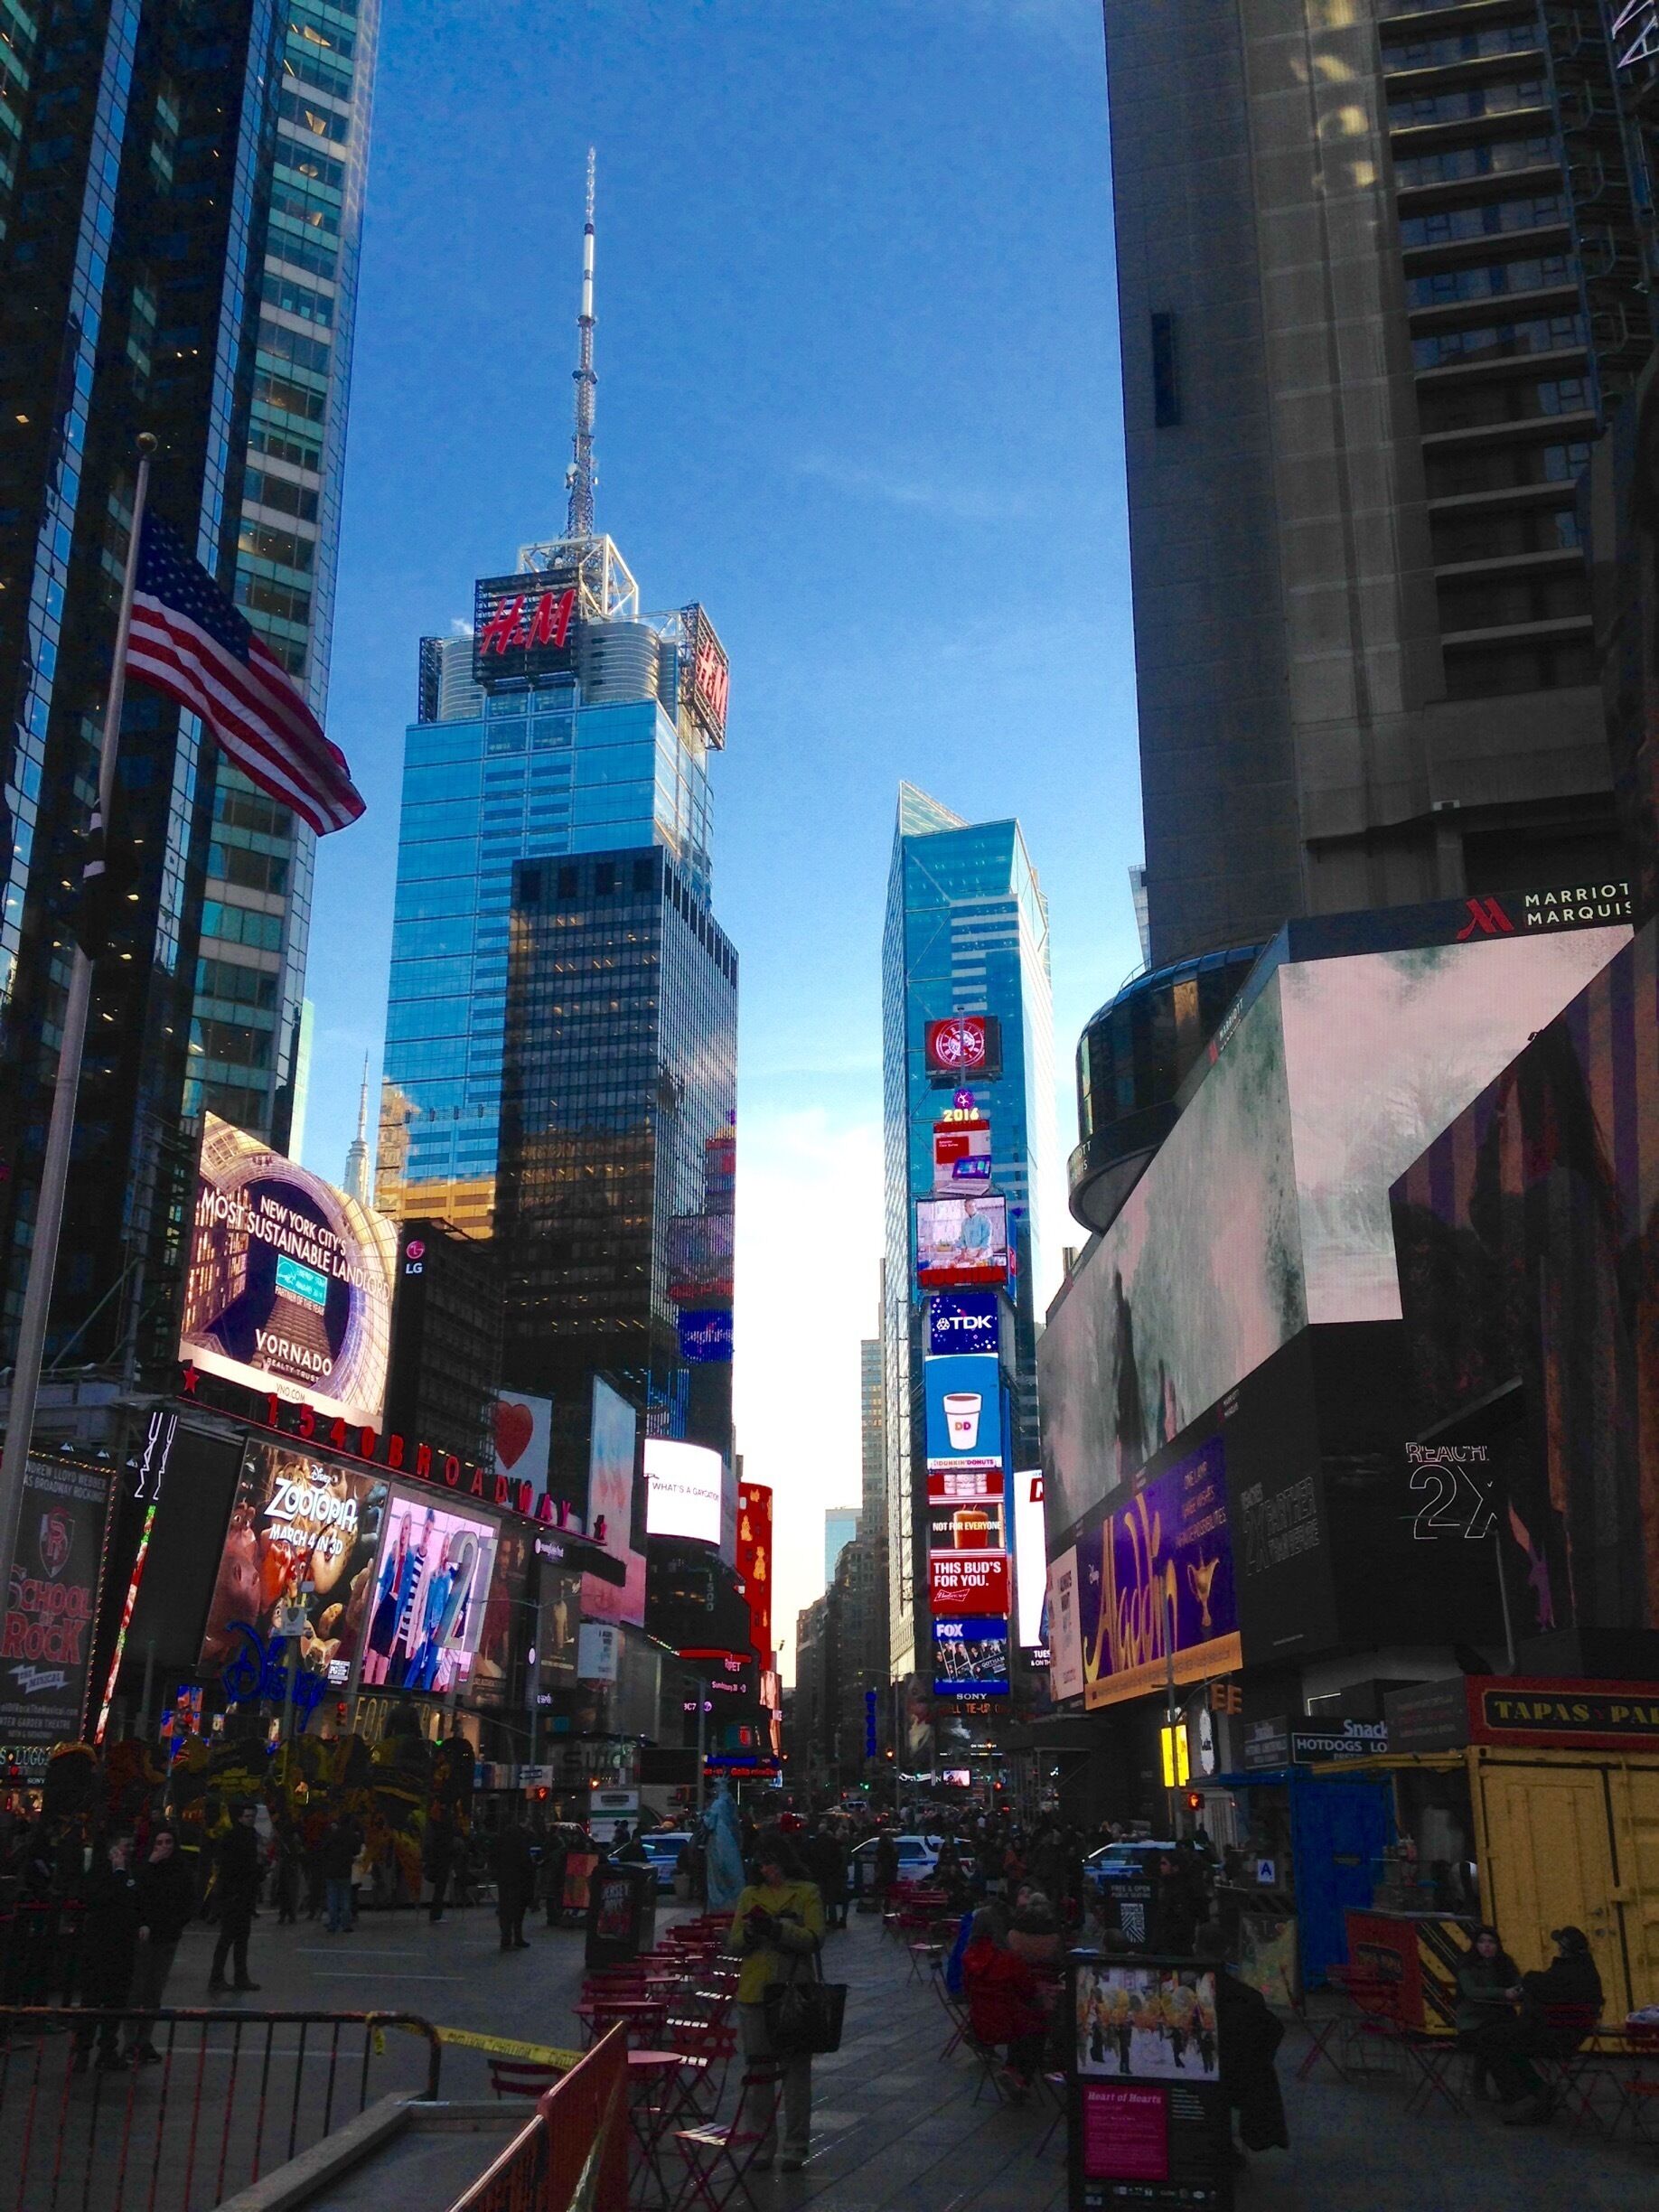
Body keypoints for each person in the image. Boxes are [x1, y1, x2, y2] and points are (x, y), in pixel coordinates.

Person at [727, 1830, 825, 2173]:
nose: (766, 1869)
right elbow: (734, 1943)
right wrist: (752, 1933)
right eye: (761, 1863)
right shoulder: (749, 1895)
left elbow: (814, 1939)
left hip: (792, 1991)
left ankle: (796, 2145)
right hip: (754, 1991)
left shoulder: (806, 1892)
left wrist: (780, 1930)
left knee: (796, 2072)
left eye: (771, 1862)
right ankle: (761, 2144)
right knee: (759, 2071)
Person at [1471, 1924, 1604, 2123]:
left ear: (1564, 1949)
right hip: (1570, 2036)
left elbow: (1537, 1983)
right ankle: (1537, 2091)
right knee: (1504, 2040)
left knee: (1491, 2038)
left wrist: (1527, 1982)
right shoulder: (1588, 1973)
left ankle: (1521, 2097)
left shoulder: (1562, 1973)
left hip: (1551, 2037)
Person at [961, 1906, 1046, 2099]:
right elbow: (1028, 1991)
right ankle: (1020, 2075)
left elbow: (966, 1991)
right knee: (1038, 2024)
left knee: (1020, 2018)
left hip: (981, 2025)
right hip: (1010, 2023)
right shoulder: (1008, 1959)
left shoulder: (968, 1958)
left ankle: (1012, 2068)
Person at [127, 1828, 195, 2062]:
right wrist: (150, 1864)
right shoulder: (145, 1868)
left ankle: (144, 2039)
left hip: (167, 1936)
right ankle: (131, 2040)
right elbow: (135, 1894)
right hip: (146, 1935)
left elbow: (189, 1900)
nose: (164, 1847)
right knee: (138, 1989)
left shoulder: (181, 1870)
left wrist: (176, 1924)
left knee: (154, 1991)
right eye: (159, 1842)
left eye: (168, 1842)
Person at [74, 1834, 142, 2070]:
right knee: (92, 2001)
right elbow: (101, 1899)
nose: (129, 1851)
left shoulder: (131, 1873)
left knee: (115, 2001)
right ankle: (83, 2050)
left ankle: (107, 2049)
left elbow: (134, 1902)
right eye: (125, 1846)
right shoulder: (100, 1875)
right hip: (99, 1946)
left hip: (121, 1947)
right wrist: (119, 1875)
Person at [1455, 1925, 1524, 2101]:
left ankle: (1515, 2089)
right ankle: (1505, 2089)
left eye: (1491, 1942)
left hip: (1500, 2017)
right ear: (1475, 1945)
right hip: (1474, 2019)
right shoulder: (1467, 1966)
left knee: (1502, 2038)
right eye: (1482, 1942)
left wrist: (1519, 1990)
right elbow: (1472, 1991)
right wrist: (1503, 1993)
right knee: (1490, 2040)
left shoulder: (1505, 1963)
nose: (1486, 1946)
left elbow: (1519, 1982)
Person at [209, 1804, 262, 1993]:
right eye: (247, 1816)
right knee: (229, 1938)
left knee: (240, 1938)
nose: (251, 1819)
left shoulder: (247, 1836)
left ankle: (237, 1977)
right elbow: (231, 1867)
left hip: (242, 1895)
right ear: (239, 1818)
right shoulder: (235, 1838)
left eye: (252, 1816)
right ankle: (219, 1978)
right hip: (235, 1896)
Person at [492, 1811, 535, 1950]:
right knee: (517, 1909)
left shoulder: (503, 1837)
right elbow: (524, 1858)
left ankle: (506, 1938)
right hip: (519, 1877)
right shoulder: (521, 1838)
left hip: (505, 1877)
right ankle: (516, 1937)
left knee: (506, 1908)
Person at [322, 1811, 361, 1935]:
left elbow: (324, 1849)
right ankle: (346, 1924)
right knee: (345, 1898)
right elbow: (356, 1851)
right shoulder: (351, 1835)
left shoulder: (333, 1834)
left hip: (331, 1869)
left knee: (332, 1898)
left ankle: (333, 1923)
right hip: (345, 1869)